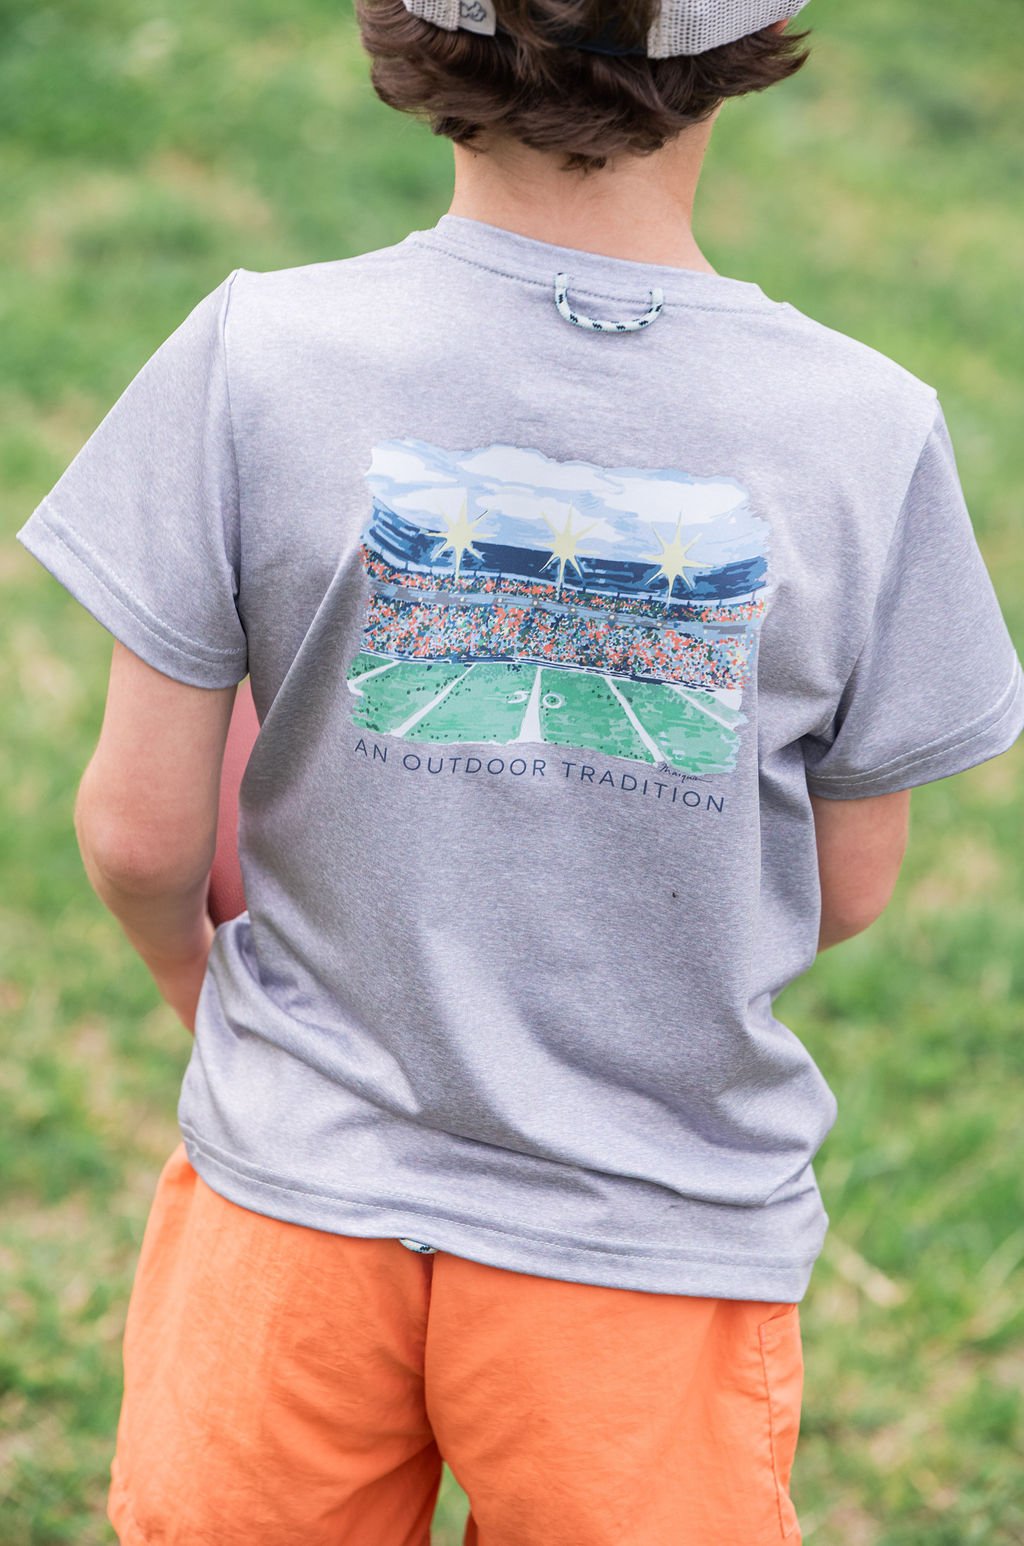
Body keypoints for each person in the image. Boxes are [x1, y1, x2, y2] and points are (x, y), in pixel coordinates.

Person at [14, 1, 1024, 1542]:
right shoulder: (866, 432)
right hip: (652, 1243)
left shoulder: (255, 352)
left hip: (295, 1201)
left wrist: (206, 1000)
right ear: (747, 41)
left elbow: (138, 827)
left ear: (415, 38)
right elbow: (853, 882)